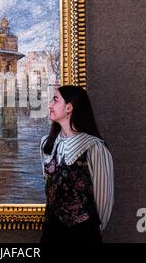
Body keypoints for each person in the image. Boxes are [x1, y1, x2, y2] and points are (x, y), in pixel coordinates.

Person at [39, 85, 114, 243]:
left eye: (55, 100)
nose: (50, 105)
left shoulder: (95, 147)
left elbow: (104, 200)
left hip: (83, 235)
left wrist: (91, 231)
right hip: (50, 234)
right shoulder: (46, 144)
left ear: (69, 107)